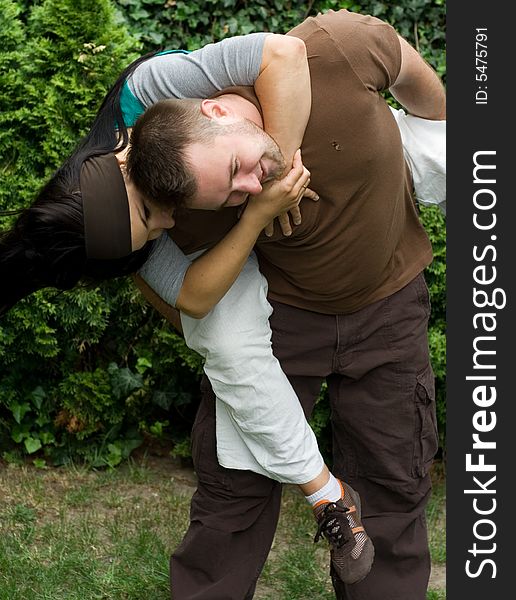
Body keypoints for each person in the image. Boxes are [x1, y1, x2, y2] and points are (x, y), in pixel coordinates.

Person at [0, 30, 376, 587]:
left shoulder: (147, 93)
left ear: (121, 167)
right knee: (223, 342)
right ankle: (326, 494)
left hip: (303, 146)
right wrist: (256, 216)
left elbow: (283, 54)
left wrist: (270, 172)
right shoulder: (130, 243)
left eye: (151, 209)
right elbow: (194, 298)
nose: (168, 223)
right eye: (153, 231)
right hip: (233, 241)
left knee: (419, 152)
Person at [128, 8, 446, 600]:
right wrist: (252, 216)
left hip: (388, 307)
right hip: (280, 325)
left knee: (393, 486)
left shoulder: (336, 47)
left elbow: (418, 81)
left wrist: (441, 128)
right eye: (230, 194)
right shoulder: (181, 185)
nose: (247, 187)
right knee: (233, 495)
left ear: (216, 109)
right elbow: (161, 280)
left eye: (234, 168)